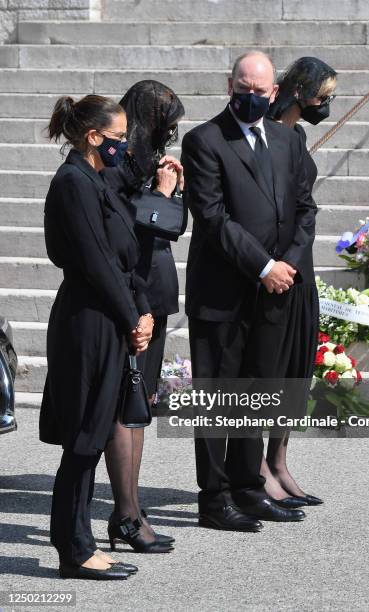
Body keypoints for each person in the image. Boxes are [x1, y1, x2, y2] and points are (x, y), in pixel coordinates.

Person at [182, 51, 317, 531]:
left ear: (274, 93)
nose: (251, 98)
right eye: (243, 89)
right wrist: (263, 266)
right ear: (229, 85)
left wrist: (290, 266)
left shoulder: (286, 140)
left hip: (275, 292)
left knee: (258, 390)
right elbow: (214, 218)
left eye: (260, 92)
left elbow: (305, 208)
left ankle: (248, 486)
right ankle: (214, 499)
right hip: (223, 291)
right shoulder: (203, 140)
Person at [39, 94, 154, 579]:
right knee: (84, 437)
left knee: (96, 430)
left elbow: (124, 254)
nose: (123, 147)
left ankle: (82, 541)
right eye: (117, 138)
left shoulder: (98, 178)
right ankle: (73, 548)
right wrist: (132, 317)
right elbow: (95, 262)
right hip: (88, 319)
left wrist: (142, 309)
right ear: (92, 137)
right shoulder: (73, 182)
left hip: (111, 313)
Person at [100, 81, 186, 553]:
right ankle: (126, 514)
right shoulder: (116, 164)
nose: (169, 131)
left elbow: (172, 226)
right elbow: (124, 229)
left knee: (140, 406)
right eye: (164, 121)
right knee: (125, 404)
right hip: (130, 293)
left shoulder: (148, 159)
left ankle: (130, 507)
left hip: (157, 289)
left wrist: (174, 191)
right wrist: (160, 192)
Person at [256, 57, 337, 506]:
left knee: (295, 373)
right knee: (269, 371)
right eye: (322, 96)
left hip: (301, 266)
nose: (326, 104)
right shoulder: (264, 130)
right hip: (273, 268)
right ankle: (258, 467)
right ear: (299, 91)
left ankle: (280, 459)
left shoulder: (298, 134)